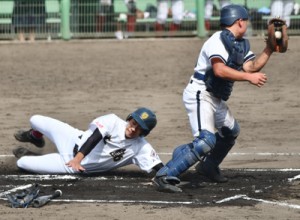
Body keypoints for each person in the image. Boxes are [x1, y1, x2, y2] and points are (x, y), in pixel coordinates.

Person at [153, 4, 274, 193]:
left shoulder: (240, 43)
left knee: (230, 131)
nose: (247, 24)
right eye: (246, 21)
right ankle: (165, 174)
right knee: (205, 141)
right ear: (239, 21)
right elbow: (219, 70)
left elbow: (251, 67)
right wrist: (248, 78)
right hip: (200, 93)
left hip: (215, 97)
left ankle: (208, 166)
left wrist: (269, 49)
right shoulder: (217, 40)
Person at [13, 107, 163, 175]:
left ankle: (32, 155)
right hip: (71, 137)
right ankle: (35, 137)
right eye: (133, 123)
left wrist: (172, 173)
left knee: (22, 163)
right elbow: (94, 138)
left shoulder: (141, 147)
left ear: (144, 133)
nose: (133, 128)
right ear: (129, 118)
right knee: (35, 119)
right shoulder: (112, 121)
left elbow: (160, 167)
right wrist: (78, 158)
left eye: (138, 128)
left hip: (69, 166)